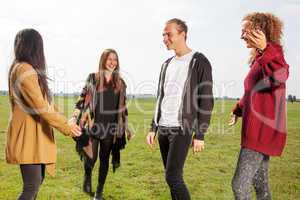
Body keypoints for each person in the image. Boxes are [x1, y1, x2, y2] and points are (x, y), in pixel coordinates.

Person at [6, 28, 82, 200]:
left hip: (34, 136)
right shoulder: (24, 69)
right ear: (36, 47)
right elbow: (41, 106)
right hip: (28, 137)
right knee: (31, 186)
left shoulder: (24, 68)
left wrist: (67, 121)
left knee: (36, 183)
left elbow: (46, 103)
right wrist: (66, 127)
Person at [146, 18, 214, 200]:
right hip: (163, 128)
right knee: (172, 179)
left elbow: (206, 99)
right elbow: (161, 96)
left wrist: (200, 134)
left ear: (182, 34)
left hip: (181, 128)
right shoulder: (166, 64)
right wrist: (154, 127)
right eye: (163, 35)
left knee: (172, 177)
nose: (164, 38)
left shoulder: (199, 61)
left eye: (169, 34)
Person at [229, 12, 289, 200]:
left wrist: (266, 49)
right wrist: (238, 110)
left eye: (245, 31)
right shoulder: (261, 59)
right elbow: (252, 92)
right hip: (258, 130)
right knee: (261, 185)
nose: (241, 36)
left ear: (259, 32)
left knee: (239, 186)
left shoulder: (274, 55)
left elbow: (280, 76)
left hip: (261, 132)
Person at [71, 48, 133, 200]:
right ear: (103, 60)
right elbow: (82, 98)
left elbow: (123, 107)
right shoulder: (93, 78)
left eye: (115, 60)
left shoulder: (121, 83)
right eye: (109, 59)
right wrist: (74, 117)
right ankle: (87, 177)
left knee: (105, 159)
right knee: (91, 158)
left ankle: (99, 192)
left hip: (111, 128)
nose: (112, 62)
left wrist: (127, 126)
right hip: (93, 124)